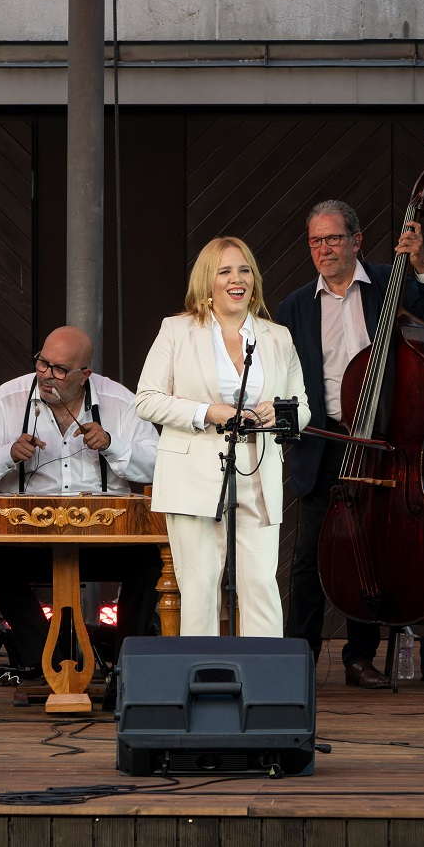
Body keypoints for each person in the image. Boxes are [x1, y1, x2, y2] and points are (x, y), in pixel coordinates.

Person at [277, 199, 424, 689]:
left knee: (373, 545)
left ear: (356, 240)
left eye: (333, 238)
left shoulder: (388, 282)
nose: (324, 249)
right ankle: (299, 660)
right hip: (328, 438)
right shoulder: (295, 306)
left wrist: (420, 266)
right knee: (311, 557)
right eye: (315, 240)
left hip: (385, 438)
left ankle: (360, 658)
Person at [0, 325, 162, 675]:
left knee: (149, 565)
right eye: (42, 363)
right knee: (0, 569)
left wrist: (113, 444)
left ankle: (129, 669)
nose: (47, 376)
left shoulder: (119, 401)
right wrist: (7, 453)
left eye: (60, 370)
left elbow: (161, 463)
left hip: (106, 535)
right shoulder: (7, 398)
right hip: (30, 535)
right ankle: (45, 658)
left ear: (85, 375)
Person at [135, 237, 309, 638]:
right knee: (199, 590)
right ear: (207, 281)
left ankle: (265, 688)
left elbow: (301, 406)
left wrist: (279, 412)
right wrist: (206, 412)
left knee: (262, 586)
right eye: (225, 270)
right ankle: (203, 683)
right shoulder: (177, 330)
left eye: (245, 270)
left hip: (258, 471)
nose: (237, 279)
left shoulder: (277, 336)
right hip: (194, 471)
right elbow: (147, 400)